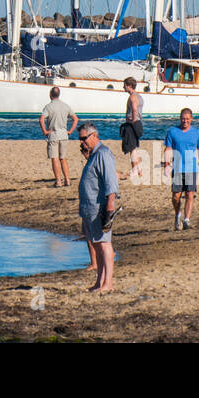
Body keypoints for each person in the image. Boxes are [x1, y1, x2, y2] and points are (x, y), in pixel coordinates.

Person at [77, 122, 119, 293]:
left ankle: (107, 283)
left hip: (99, 207)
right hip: (89, 208)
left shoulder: (103, 153)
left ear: (94, 136)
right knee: (97, 245)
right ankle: (100, 281)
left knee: (104, 244)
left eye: (83, 138)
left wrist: (110, 207)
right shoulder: (94, 155)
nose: (81, 142)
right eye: (79, 139)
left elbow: (111, 182)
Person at [162, 108, 199, 231]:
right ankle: (177, 215)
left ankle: (186, 220)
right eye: (183, 119)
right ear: (180, 118)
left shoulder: (197, 133)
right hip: (178, 168)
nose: (185, 121)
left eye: (187, 119)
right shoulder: (172, 131)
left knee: (189, 195)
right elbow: (168, 149)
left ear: (191, 119)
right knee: (176, 196)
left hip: (191, 168)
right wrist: (167, 165)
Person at [39, 86, 78, 187]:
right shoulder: (65, 106)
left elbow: (41, 119)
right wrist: (70, 131)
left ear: (50, 94)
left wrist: (45, 131)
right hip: (64, 134)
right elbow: (75, 119)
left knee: (54, 158)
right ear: (59, 94)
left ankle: (59, 181)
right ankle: (67, 180)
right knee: (63, 158)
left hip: (53, 135)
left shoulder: (48, 107)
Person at [120, 76, 144, 181]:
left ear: (129, 86)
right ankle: (139, 170)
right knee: (134, 148)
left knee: (132, 148)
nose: (123, 87)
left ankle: (134, 169)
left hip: (132, 124)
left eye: (124, 85)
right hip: (137, 122)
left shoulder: (132, 97)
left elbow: (134, 109)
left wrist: (133, 121)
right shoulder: (139, 96)